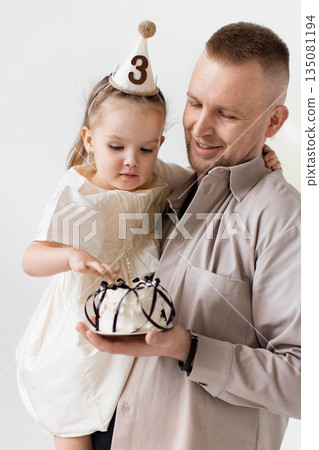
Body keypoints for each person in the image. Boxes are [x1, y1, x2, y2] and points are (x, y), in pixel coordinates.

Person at [77, 22, 301, 450]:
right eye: (195, 102)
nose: (200, 128)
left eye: (228, 114)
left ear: (273, 120)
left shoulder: (284, 220)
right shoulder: (166, 185)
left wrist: (189, 348)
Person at [15, 21, 193, 450]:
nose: (132, 161)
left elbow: (205, 185)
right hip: (79, 322)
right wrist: (71, 256)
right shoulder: (80, 191)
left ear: (158, 145)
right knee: (72, 400)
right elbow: (31, 256)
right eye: (117, 148)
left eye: (146, 149)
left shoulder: (158, 176)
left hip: (135, 311)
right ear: (90, 140)